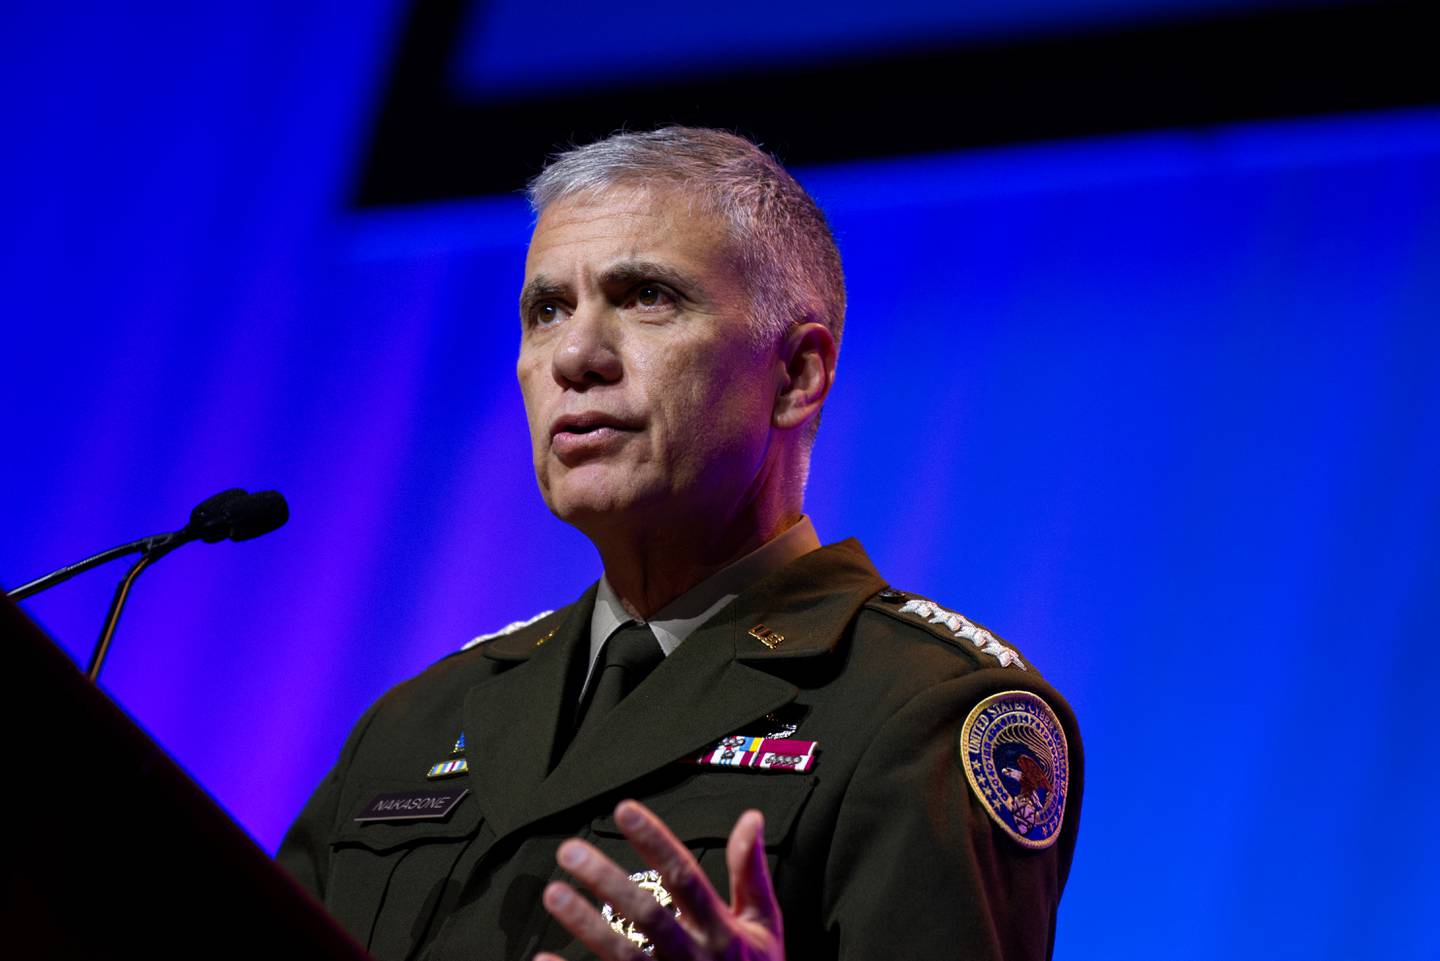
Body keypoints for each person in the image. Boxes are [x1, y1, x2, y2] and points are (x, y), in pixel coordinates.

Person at [278, 126, 1084, 961]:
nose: (577, 356)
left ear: (797, 374)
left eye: (646, 297)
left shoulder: (924, 710)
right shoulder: (417, 723)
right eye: (547, 309)